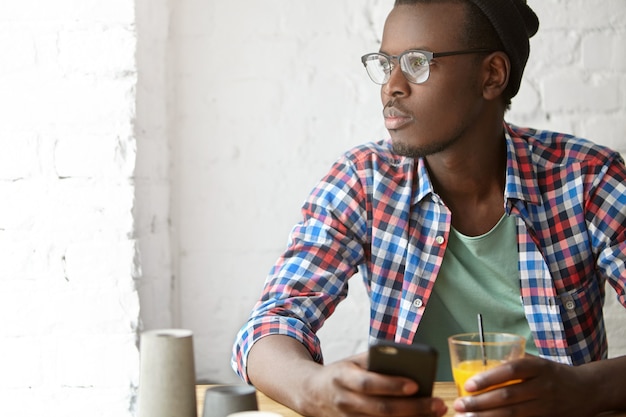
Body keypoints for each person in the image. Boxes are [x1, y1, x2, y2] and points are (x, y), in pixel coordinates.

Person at [231, 0, 626, 416]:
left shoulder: (586, 179)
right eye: (386, 64)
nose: (392, 86)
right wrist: (311, 387)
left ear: (491, 75)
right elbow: (270, 324)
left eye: (417, 62)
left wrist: (583, 389)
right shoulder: (363, 182)